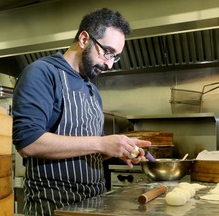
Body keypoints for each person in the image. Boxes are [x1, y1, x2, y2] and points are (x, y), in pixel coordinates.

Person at [12, 8, 151, 216]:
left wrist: (118, 150)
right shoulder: (42, 73)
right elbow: (28, 143)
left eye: (116, 57)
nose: (110, 64)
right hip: (53, 205)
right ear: (84, 39)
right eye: (107, 52)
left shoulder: (92, 88)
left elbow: (87, 149)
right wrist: (101, 143)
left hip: (93, 203)